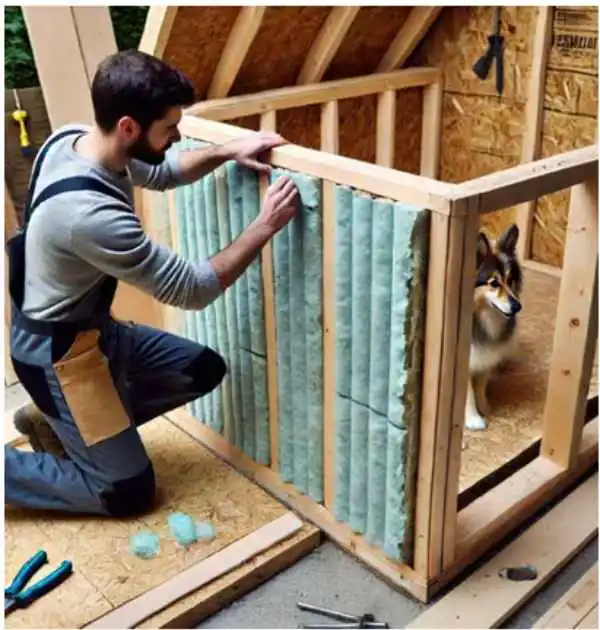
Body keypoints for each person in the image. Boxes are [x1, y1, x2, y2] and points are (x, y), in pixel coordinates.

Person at [5, 50, 299, 517]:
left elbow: (162, 172)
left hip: (95, 331)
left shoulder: (76, 140)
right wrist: (264, 226)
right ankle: (58, 450)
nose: (178, 135)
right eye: (169, 127)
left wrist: (228, 150)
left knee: (199, 370)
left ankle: (71, 430)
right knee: (126, 494)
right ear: (128, 127)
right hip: (57, 353)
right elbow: (193, 289)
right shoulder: (88, 216)